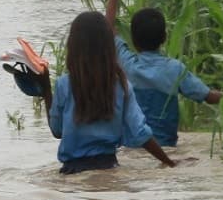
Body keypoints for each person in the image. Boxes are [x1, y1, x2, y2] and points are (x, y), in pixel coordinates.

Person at [105, 0, 223, 147]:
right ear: (164, 38)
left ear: (134, 41)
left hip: (132, 148)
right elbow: (207, 96)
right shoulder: (175, 69)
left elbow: (108, 30)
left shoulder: (128, 66)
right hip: (166, 148)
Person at [39, 11, 176, 174]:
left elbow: (57, 130)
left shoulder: (64, 85)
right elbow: (140, 133)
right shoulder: (121, 85)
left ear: (73, 46)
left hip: (72, 172)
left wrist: (46, 90)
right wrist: (169, 162)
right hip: (109, 167)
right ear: (109, 48)